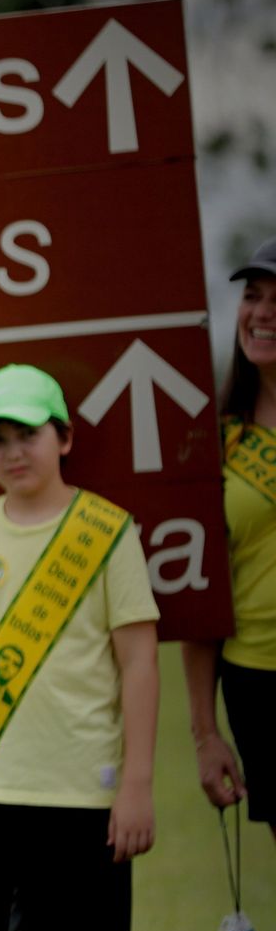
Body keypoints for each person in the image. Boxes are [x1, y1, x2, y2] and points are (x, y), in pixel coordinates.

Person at [0, 363, 159, 931]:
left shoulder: (107, 531)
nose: (12, 452)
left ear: (65, 437)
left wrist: (136, 784)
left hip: (83, 791)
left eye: (28, 434)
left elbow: (139, 661)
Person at [185, 236, 276, 843]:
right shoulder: (219, 441)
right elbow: (202, 596)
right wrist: (205, 733)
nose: (261, 313)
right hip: (259, 685)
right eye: (252, 296)